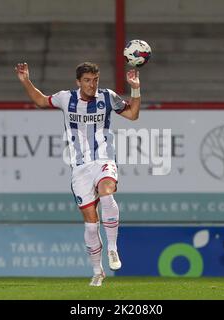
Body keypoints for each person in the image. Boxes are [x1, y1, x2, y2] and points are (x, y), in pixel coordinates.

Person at [15, 62, 141, 286]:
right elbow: (41, 100)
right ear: (78, 82)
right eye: (87, 81)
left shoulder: (108, 97)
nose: (92, 85)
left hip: (104, 159)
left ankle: (112, 248)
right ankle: (97, 271)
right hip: (80, 168)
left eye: (95, 80)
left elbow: (132, 115)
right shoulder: (66, 98)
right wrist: (26, 81)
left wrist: (135, 89)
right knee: (91, 225)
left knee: (107, 193)